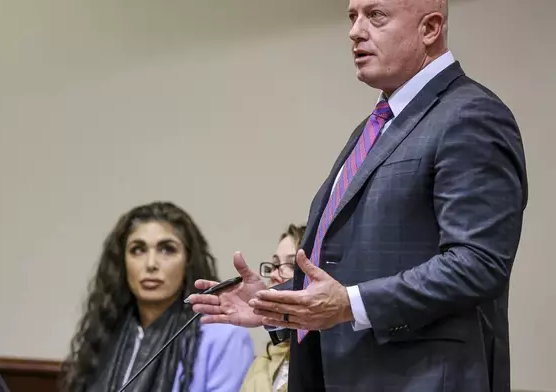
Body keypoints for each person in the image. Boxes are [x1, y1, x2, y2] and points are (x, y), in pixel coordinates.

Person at [188, 0, 528, 390]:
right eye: (353, 17)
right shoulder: (376, 126)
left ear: (430, 29)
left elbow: (478, 262)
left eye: (376, 16)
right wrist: (276, 301)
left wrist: (350, 304)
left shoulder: (471, 116)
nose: (355, 31)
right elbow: (360, 264)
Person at [60, 201, 255, 392]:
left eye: (167, 249)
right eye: (138, 250)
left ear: (188, 261)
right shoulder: (106, 331)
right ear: (122, 262)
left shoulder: (224, 336)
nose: (151, 264)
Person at [240, 224, 306, 392]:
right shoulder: (263, 362)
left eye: (291, 265)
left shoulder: (332, 361)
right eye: (275, 265)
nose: (275, 274)